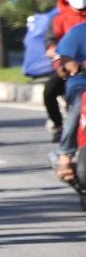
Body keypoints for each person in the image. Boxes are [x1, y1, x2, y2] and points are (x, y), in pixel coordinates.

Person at [44, 0, 86, 139]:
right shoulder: (59, 19)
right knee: (49, 91)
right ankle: (59, 126)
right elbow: (49, 45)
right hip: (69, 68)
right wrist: (63, 57)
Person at [53, 18, 86, 182]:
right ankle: (65, 153)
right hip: (81, 81)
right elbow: (67, 62)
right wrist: (78, 66)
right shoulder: (78, 32)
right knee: (81, 102)